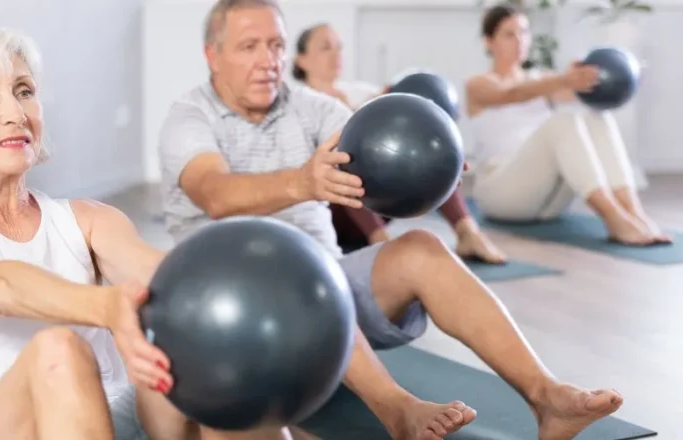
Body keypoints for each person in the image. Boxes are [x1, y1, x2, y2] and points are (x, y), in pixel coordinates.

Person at [158, 0, 625, 439]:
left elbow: (369, 142)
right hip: (229, 314)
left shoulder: (309, 106)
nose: (268, 60)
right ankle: (397, 410)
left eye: (276, 45)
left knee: (420, 249)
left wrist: (427, 158)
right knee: (302, 279)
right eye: (248, 46)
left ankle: (547, 398)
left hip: (329, 291)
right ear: (212, 56)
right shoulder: (189, 117)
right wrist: (303, 182)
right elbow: (214, 194)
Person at [0, 27, 308, 440]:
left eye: (25, 91)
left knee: (205, 359)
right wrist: (106, 307)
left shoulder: (88, 220)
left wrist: (241, 297)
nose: (15, 113)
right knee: (58, 351)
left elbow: (158, 274)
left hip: (104, 416)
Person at [291, 22, 507, 264]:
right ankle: (382, 243)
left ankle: (468, 232)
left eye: (339, 48)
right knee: (351, 157)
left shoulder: (362, 92)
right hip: (330, 210)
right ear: (301, 60)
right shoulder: (297, 104)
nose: (336, 54)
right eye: (325, 48)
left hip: (380, 203)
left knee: (430, 152)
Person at [465, 3, 672, 246]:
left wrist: (620, 78)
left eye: (524, 32)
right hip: (501, 196)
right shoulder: (477, 85)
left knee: (596, 117)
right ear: (489, 41)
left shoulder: (542, 82)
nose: (520, 40)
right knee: (563, 121)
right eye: (509, 34)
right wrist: (563, 79)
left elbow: (583, 91)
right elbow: (512, 94)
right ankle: (614, 218)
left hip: (547, 202)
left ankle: (634, 212)